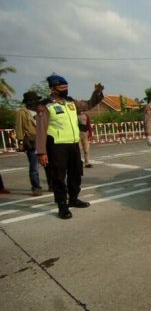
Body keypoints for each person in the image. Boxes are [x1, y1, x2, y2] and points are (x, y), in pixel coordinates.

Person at [36, 74, 105, 219]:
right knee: (59, 177)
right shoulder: (46, 105)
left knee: (76, 173)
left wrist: (97, 93)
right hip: (56, 146)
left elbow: (89, 104)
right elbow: (41, 130)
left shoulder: (70, 102)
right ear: (53, 89)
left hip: (73, 145)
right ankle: (62, 206)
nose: (65, 90)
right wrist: (41, 152)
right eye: (62, 87)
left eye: (66, 87)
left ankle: (73, 199)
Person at [15, 91, 46, 195]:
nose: (36, 102)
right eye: (34, 100)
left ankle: (51, 184)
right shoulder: (22, 112)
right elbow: (19, 128)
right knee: (34, 167)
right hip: (32, 141)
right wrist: (20, 141)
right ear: (28, 102)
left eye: (37, 100)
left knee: (49, 165)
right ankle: (36, 187)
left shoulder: (41, 110)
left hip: (45, 140)